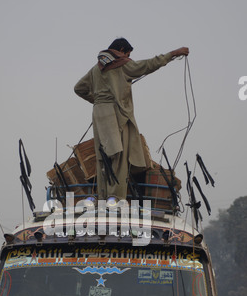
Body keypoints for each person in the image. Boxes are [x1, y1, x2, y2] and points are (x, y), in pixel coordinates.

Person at [74, 38, 189, 201]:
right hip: (116, 115)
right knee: (119, 157)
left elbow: (78, 88)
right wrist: (173, 54)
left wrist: (97, 100)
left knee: (103, 157)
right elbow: (149, 65)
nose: (128, 57)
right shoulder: (121, 64)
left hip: (99, 114)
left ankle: (101, 196)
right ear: (121, 50)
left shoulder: (96, 69)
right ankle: (115, 198)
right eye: (127, 54)